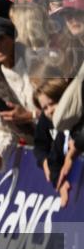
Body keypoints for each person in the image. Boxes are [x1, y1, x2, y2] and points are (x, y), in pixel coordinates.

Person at [0, 16, 36, 146]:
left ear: (12, 37)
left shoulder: (42, 62)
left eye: (0, 39)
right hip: (40, 149)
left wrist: (31, 115)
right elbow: (5, 128)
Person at [32, 73, 81, 208]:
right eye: (45, 108)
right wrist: (58, 181)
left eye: (53, 103)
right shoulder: (55, 127)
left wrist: (74, 150)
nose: (50, 111)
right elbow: (49, 154)